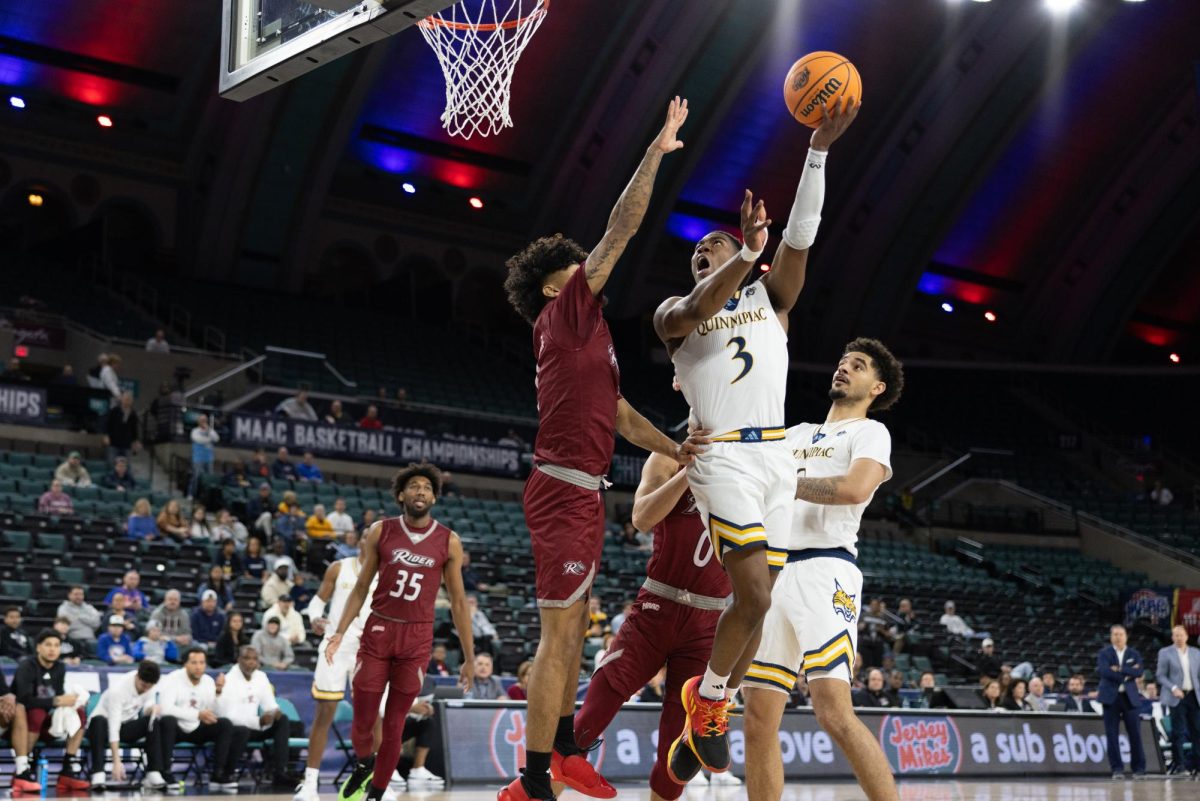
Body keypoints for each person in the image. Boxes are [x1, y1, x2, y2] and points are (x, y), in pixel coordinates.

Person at [499, 97, 702, 801]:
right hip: (562, 488)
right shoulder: (567, 310)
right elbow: (621, 227)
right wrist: (654, 152)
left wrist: (677, 448)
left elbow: (617, 414)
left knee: (574, 638)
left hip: (582, 490)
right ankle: (531, 781)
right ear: (559, 283)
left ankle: (564, 753)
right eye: (581, 266)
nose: (595, 269)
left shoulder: (588, 340)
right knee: (558, 643)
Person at [657, 100, 859, 778]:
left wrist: (818, 152)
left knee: (760, 601)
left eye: (709, 246)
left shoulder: (770, 302)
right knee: (754, 592)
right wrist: (742, 251)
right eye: (696, 253)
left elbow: (799, 237)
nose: (700, 255)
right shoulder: (672, 315)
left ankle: (702, 712)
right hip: (721, 456)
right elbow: (700, 304)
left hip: (775, 453)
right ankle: (710, 698)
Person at [742, 338, 901, 801]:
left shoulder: (870, 433)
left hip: (824, 568)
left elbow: (855, 489)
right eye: (841, 362)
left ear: (877, 386)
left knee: (832, 710)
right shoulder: (793, 434)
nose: (844, 369)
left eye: (858, 365)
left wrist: (785, 482)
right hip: (771, 573)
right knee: (757, 718)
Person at [570, 448, 734, 801]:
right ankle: (535, 790)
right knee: (590, 717)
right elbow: (641, 518)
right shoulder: (668, 457)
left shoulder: (753, 469)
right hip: (658, 606)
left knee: (676, 746)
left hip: (709, 620)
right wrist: (689, 470)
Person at [326, 463, 475, 801]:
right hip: (378, 630)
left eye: (426, 487)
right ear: (400, 495)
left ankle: (376, 794)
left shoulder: (449, 541)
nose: (420, 491)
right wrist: (339, 632)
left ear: (434, 497)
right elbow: (361, 586)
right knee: (363, 721)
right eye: (414, 486)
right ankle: (364, 764)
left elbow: (459, 603)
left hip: (417, 638)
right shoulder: (381, 531)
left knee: (394, 724)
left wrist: (468, 656)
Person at [294, 539, 385, 801]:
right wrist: (314, 618)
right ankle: (310, 783)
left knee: (375, 717)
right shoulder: (338, 567)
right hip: (336, 644)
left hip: (367, 650)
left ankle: (379, 784)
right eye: (369, 537)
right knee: (325, 712)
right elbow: (317, 600)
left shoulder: (386, 573)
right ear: (360, 542)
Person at [11, 629, 89, 791]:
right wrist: (56, 700)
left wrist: (71, 701)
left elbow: (58, 696)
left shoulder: (60, 667)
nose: (52, 649)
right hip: (20, 726)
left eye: (56, 645)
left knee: (79, 712)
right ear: (38, 647)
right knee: (36, 712)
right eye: (48, 645)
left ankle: (67, 769)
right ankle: (22, 770)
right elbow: (23, 700)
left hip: (46, 726)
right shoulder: (27, 666)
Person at [216, 646, 301, 789]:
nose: (251, 662)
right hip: (237, 730)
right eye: (247, 658)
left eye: (254, 659)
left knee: (283, 720)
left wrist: (275, 712)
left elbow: (270, 704)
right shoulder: (229, 680)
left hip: (255, 728)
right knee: (240, 729)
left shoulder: (261, 677)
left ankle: (280, 773)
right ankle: (227, 773)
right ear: (238, 660)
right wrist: (259, 721)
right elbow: (229, 716)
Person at [86, 660, 170, 790]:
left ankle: (153, 772)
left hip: (126, 725)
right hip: (103, 727)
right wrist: (116, 762)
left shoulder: (151, 685)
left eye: (149, 686)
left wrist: (151, 708)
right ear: (137, 676)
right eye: (143, 685)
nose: (145, 689)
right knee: (99, 721)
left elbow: (148, 703)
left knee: (152, 721)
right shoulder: (118, 690)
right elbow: (114, 726)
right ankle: (98, 773)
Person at [1097, 623, 1146, 779]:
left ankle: (1139, 769)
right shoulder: (1104, 653)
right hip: (1110, 699)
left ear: (1126, 636)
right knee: (1112, 735)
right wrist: (1126, 674)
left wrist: (1120, 669)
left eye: (1120, 634)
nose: (1118, 637)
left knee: (1135, 734)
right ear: (1111, 637)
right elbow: (1104, 671)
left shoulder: (1134, 653)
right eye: (1115, 634)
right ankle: (1117, 769)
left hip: (1129, 698)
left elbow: (1139, 671)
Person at [1156, 624, 1200, 776]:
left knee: (1197, 731)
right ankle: (1180, 765)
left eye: (1181, 635)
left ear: (1187, 636)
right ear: (1172, 637)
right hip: (1176, 697)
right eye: (1176, 635)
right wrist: (1173, 687)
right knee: (1178, 732)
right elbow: (1160, 676)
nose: (1179, 638)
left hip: (1194, 696)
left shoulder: (1196, 652)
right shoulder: (1165, 652)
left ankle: (1197, 765)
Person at [103, 392, 141, 462]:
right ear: (122, 399)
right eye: (126, 399)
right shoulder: (114, 410)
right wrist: (106, 435)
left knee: (127, 465)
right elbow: (107, 424)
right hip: (114, 442)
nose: (127, 401)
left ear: (132, 401)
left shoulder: (133, 414)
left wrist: (136, 441)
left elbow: (134, 429)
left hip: (126, 444)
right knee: (112, 464)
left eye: (129, 399)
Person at [190, 414, 220, 497]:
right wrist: (209, 439)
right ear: (198, 422)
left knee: (209, 478)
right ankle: (192, 494)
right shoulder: (195, 431)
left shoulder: (210, 430)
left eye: (205, 420)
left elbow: (217, 438)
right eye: (202, 420)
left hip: (209, 459)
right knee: (196, 477)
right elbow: (199, 440)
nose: (203, 422)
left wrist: (208, 430)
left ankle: (205, 496)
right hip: (198, 459)